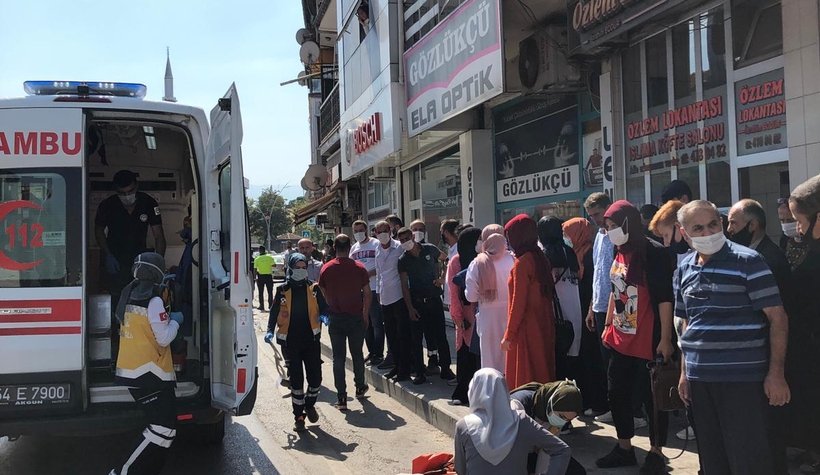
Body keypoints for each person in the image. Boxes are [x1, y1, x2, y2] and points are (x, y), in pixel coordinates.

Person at [675, 200, 790, 475]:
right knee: (712, 460)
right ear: (684, 233)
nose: (708, 233)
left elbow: (778, 317)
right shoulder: (684, 269)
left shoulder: (749, 261)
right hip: (700, 381)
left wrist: (776, 373)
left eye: (714, 224)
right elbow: (686, 324)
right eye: (698, 228)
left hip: (742, 381)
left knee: (748, 460)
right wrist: (684, 373)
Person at [595, 201, 675, 474]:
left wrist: (665, 339)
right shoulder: (620, 250)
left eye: (613, 226)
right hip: (620, 337)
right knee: (617, 393)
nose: (610, 232)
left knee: (652, 398)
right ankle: (625, 446)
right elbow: (614, 290)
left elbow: (665, 299)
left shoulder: (654, 253)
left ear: (628, 223)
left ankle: (655, 452)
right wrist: (608, 323)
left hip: (648, 338)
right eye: (607, 227)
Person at [109, 253, 181, 475]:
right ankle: (122, 472)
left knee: (167, 430)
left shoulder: (129, 292)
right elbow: (164, 337)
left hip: (135, 371)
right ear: (157, 272)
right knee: (162, 428)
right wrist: (176, 322)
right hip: (151, 374)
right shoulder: (154, 299)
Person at [454, 368, 572, 475]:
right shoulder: (521, 421)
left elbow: (460, 470)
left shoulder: (463, 426)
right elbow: (561, 449)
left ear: (473, 391)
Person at [264, 253, 326, 432]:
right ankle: (298, 416)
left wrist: (325, 315)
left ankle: (309, 404)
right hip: (290, 342)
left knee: (315, 379)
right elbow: (274, 312)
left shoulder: (314, 288)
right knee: (297, 381)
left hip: (311, 340)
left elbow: (324, 307)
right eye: (297, 267)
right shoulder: (282, 290)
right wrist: (269, 330)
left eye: (303, 267)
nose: (300, 270)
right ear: (290, 268)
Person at [95, 170, 166, 307]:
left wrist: (158, 263)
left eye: (130, 191)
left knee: (140, 299)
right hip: (115, 258)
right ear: (116, 190)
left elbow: (159, 236)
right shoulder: (107, 205)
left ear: (137, 186)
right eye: (122, 193)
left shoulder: (149, 203)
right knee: (116, 299)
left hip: (140, 258)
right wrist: (108, 255)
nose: (127, 196)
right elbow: (98, 231)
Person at [502, 214, 556, 389]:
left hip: (526, 326)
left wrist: (509, 335)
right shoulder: (539, 256)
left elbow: (519, 302)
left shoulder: (522, 262)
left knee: (526, 377)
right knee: (542, 368)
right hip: (543, 322)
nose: (508, 240)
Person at [318, 234, 371, 411]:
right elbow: (368, 293)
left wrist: (331, 303)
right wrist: (365, 313)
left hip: (336, 318)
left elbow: (322, 290)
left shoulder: (326, 268)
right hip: (355, 317)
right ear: (350, 247)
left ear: (334, 247)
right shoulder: (359, 267)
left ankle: (341, 397)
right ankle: (360, 387)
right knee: (357, 355)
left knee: (338, 358)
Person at [562, 217, 608, 418]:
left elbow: (593, 282)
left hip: (591, 311)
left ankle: (598, 402)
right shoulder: (574, 253)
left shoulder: (590, 252)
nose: (566, 238)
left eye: (568, 233)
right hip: (581, 310)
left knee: (592, 359)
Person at [397, 227, 456, 384]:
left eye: (406, 238)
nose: (405, 242)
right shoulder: (403, 260)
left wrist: (442, 278)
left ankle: (446, 368)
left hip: (434, 300)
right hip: (417, 303)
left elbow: (446, 260)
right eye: (401, 240)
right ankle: (420, 372)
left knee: (440, 336)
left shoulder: (429, 249)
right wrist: (409, 308)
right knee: (417, 340)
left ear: (413, 237)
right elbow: (404, 286)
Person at [582, 192, 616, 421]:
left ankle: (626, 409)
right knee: (605, 362)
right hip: (600, 306)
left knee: (616, 363)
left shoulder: (618, 235)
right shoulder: (598, 236)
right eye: (591, 215)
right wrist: (592, 308)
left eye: (597, 213)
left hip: (617, 308)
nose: (594, 218)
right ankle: (612, 406)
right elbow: (597, 274)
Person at [537, 216, 583, 381]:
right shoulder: (569, 250)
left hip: (557, 313)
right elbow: (578, 275)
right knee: (574, 355)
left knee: (558, 356)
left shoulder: (544, 255)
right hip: (574, 308)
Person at [465, 225, 514, 373]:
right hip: (511, 315)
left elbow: (471, 296)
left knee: (491, 362)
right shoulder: (513, 259)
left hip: (488, 318)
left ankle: (493, 393)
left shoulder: (478, 263)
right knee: (510, 360)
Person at [510, 379, 587, 474]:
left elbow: (549, 450)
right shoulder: (519, 405)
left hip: (534, 452)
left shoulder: (555, 413)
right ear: (552, 404)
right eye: (562, 417)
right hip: (511, 454)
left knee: (577, 472)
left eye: (568, 420)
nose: (562, 422)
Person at [727, 198, 791, 295]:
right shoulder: (742, 254)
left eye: (733, 223)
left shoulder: (769, 259)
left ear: (752, 225)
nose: (729, 229)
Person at [448, 227, 481, 405]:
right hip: (465, 316)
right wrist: (458, 318)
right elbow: (454, 293)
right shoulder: (456, 262)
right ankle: (462, 394)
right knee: (465, 353)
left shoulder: (483, 259)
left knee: (478, 356)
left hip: (481, 313)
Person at [374, 220, 411, 379]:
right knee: (391, 335)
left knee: (403, 334)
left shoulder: (399, 247)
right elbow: (378, 273)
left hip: (399, 296)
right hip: (384, 297)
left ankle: (405, 369)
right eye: (379, 231)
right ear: (375, 233)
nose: (382, 234)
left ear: (390, 231)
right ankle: (396, 365)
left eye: (385, 230)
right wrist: (378, 292)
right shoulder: (377, 249)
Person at [350, 220, 385, 366]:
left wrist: (367, 274)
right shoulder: (354, 248)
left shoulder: (376, 244)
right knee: (365, 323)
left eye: (361, 230)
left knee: (377, 323)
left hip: (375, 288)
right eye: (356, 231)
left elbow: (382, 265)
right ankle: (371, 352)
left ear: (366, 230)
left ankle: (378, 353)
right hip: (360, 291)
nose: (359, 233)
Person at [441, 218, 460, 307]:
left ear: (446, 233)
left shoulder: (459, 249)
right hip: (451, 297)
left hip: (457, 298)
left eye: (441, 232)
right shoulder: (451, 249)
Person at [253, 245, 275, 311]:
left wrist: (255, 278)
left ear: (259, 251)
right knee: (270, 292)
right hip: (268, 276)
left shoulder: (257, 258)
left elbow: (255, 269)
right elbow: (274, 265)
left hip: (260, 276)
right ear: (265, 250)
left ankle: (262, 306)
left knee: (260, 292)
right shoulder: (269, 257)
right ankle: (270, 305)